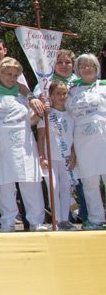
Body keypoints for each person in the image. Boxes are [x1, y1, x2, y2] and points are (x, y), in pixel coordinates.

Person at [0, 58, 47, 232]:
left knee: (31, 182)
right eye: (8, 74)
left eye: (16, 75)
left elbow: (30, 121)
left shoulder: (23, 95)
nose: (12, 78)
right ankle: (7, 222)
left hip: (24, 145)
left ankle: (36, 221)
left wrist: (40, 112)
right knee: (4, 184)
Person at [67, 53, 106, 230]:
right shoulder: (71, 91)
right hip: (82, 141)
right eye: (82, 66)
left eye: (90, 65)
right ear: (77, 70)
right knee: (89, 183)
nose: (86, 68)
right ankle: (96, 219)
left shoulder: (104, 87)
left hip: (103, 137)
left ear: (96, 68)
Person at [37, 81, 76, 230]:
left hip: (65, 157)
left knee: (66, 187)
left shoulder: (71, 115)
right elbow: (40, 137)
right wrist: (42, 156)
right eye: (58, 93)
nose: (61, 96)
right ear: (51, 96)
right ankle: (57, 219)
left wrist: (73, 155)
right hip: (50, 156)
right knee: (53, 187)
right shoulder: (47, 114)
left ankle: (65, 219)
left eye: (64, 93)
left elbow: (72, 138)